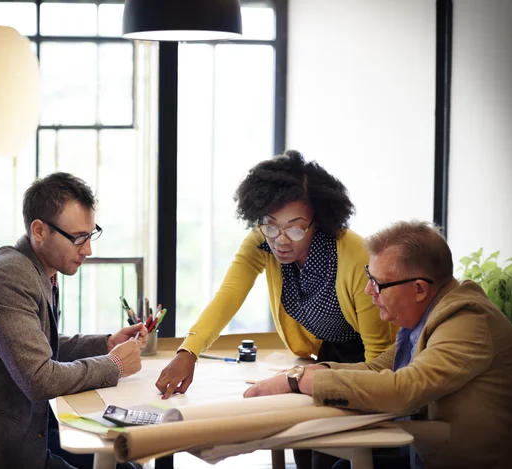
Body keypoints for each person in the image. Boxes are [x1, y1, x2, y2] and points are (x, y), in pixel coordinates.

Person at [156, 150, 396, 467]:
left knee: (340, 452)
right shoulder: (262, 243)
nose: (280, 240)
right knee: (305, 449)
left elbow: (380, 360)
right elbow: (228, 295)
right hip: (327, 356)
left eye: (295, 228)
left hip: (373, 362)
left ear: (320, 219)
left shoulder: (354, 256)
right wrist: (188, 352)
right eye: (270, 225)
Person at [244, 220, 512, 469]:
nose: (369, 290)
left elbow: (403, 388)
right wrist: (305, 374)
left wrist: (300, 382)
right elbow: (376, 368)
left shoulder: (466, 321)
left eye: (378, 283)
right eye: (369, 276)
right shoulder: (426, 319)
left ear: (419, 289)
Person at [0, 172, 148, 469]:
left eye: (91, 233)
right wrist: (115, 365)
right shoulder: (7, 277)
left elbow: (39, 345)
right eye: (78, 238)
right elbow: (41, 380)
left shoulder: (35, 269)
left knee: (124, 463)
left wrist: (106, 343)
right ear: (40, 230)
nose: (88, 249)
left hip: (26, 433)